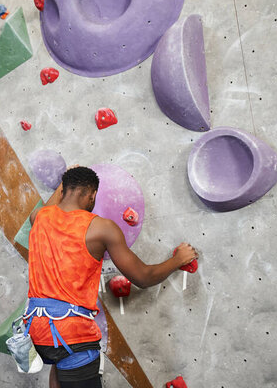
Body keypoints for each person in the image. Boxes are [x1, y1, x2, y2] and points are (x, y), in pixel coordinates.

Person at [25, 166, 198, 388]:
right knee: (71, 360)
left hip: (39, 334)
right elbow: (143, 277)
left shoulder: (38, 217)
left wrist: (66, 180)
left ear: (64, 190)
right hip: (72, 336)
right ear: (93, 195)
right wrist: (178, 260)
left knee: (60, 367)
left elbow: (55, 203)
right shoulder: (101, 228)